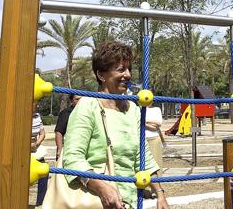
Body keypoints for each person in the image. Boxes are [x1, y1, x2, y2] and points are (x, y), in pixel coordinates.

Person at [63, 41, 169, 209]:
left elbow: (144, 157)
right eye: (121, 69)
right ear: (101, 75)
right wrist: (102, 188)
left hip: (129, 201)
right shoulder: (87, 106)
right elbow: (73, 157)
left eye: (129, 69)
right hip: (96, 200)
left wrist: (160, 195)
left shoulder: (133, 109)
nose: (127, 75)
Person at [142, 106, 164, 199]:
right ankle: (145, 189)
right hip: (142, 138)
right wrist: (149, 123)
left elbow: (158, 124)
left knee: (157, 163)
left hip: (155, 138)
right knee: (143, 165)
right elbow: (136, 121)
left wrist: (143, 122)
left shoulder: (156, 109)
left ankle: (157, 189)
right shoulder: (138, 108)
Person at [54, 94, 81, 159]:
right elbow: (59, 132)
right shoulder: (66, 113)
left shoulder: (88, 112)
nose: (80, 101)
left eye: (81, 99)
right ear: (71, 100)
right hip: (69, 149)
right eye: (77, 99)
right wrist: (59, 149)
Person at [31, 103, 47, 206]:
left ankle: (40, 203)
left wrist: (37, 143)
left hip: (34, 151)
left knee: (44, 172)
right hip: (21, 152)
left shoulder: (37, 116)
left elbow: (42, 133)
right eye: (34, 103)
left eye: (37, 103)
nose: (37, 105)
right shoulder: (21, 114)